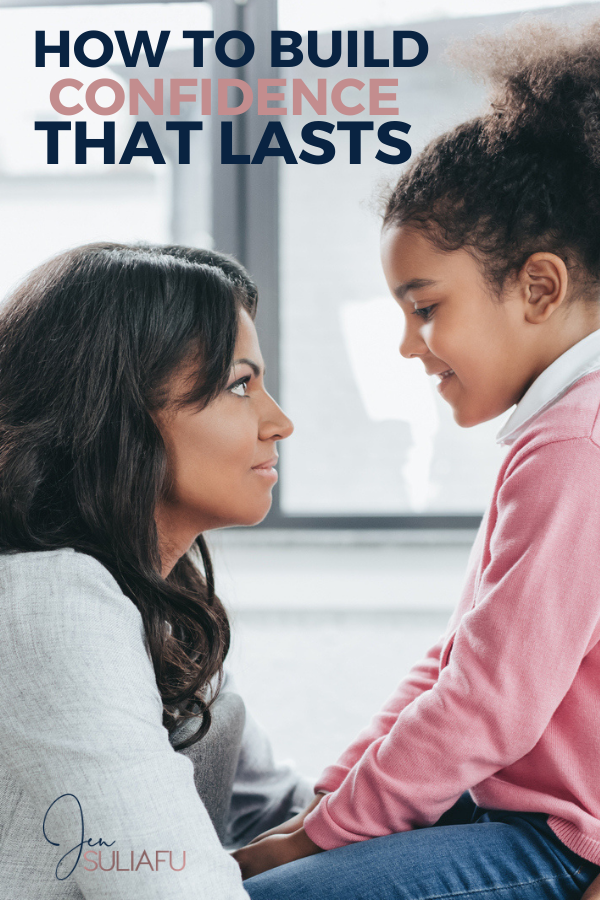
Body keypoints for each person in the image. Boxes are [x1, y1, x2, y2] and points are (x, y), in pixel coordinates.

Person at [234, 18, 600, 900]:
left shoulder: (576, 442)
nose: (408, 346)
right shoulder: (557, 431)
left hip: (554, 846)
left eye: (426, 308)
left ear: (538, 288)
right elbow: (456, 662)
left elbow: (487, 703)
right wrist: (329, 798)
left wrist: (311, 840)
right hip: (509, 812)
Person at [0, 241, 311, 900]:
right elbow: (168, 884)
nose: (278, 422)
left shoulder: (160, 604)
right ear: (121, 412)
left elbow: (278, 813)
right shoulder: (49, 600)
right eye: (238, 385)